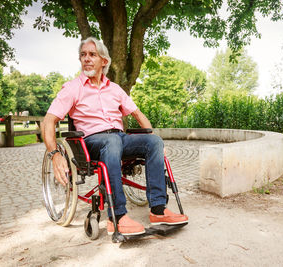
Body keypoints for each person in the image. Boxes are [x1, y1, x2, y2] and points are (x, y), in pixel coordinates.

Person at [42, 37, 188, 236]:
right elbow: (49, 120)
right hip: (91, 142)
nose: (86, 59)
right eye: (83, 55)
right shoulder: (72, 88)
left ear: (104, 61)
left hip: (119, 138)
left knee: (153, 141)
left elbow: (137, 114)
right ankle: (117, 216)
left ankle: (158, 210)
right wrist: (54, 154)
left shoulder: (115, 89)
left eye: (92, 54)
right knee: (111, 142)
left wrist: (154, 138)